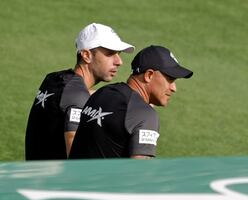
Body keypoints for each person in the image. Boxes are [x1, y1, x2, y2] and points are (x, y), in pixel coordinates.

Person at [25, 23, 134, 160]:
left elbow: (74, 97)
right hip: (58, 180)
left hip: (36, 174)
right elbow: (76, 159)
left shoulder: (54, 79)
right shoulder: (76, 95)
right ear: (86, 55)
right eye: (110, 53)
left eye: (118, 54)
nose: (119, 61)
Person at [69, 45, 193, 159]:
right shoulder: (145, 114)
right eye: (170, 79)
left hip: (73, 180)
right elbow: (138, 174)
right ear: (149, 75)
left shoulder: (101, 93)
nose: (174, 88)